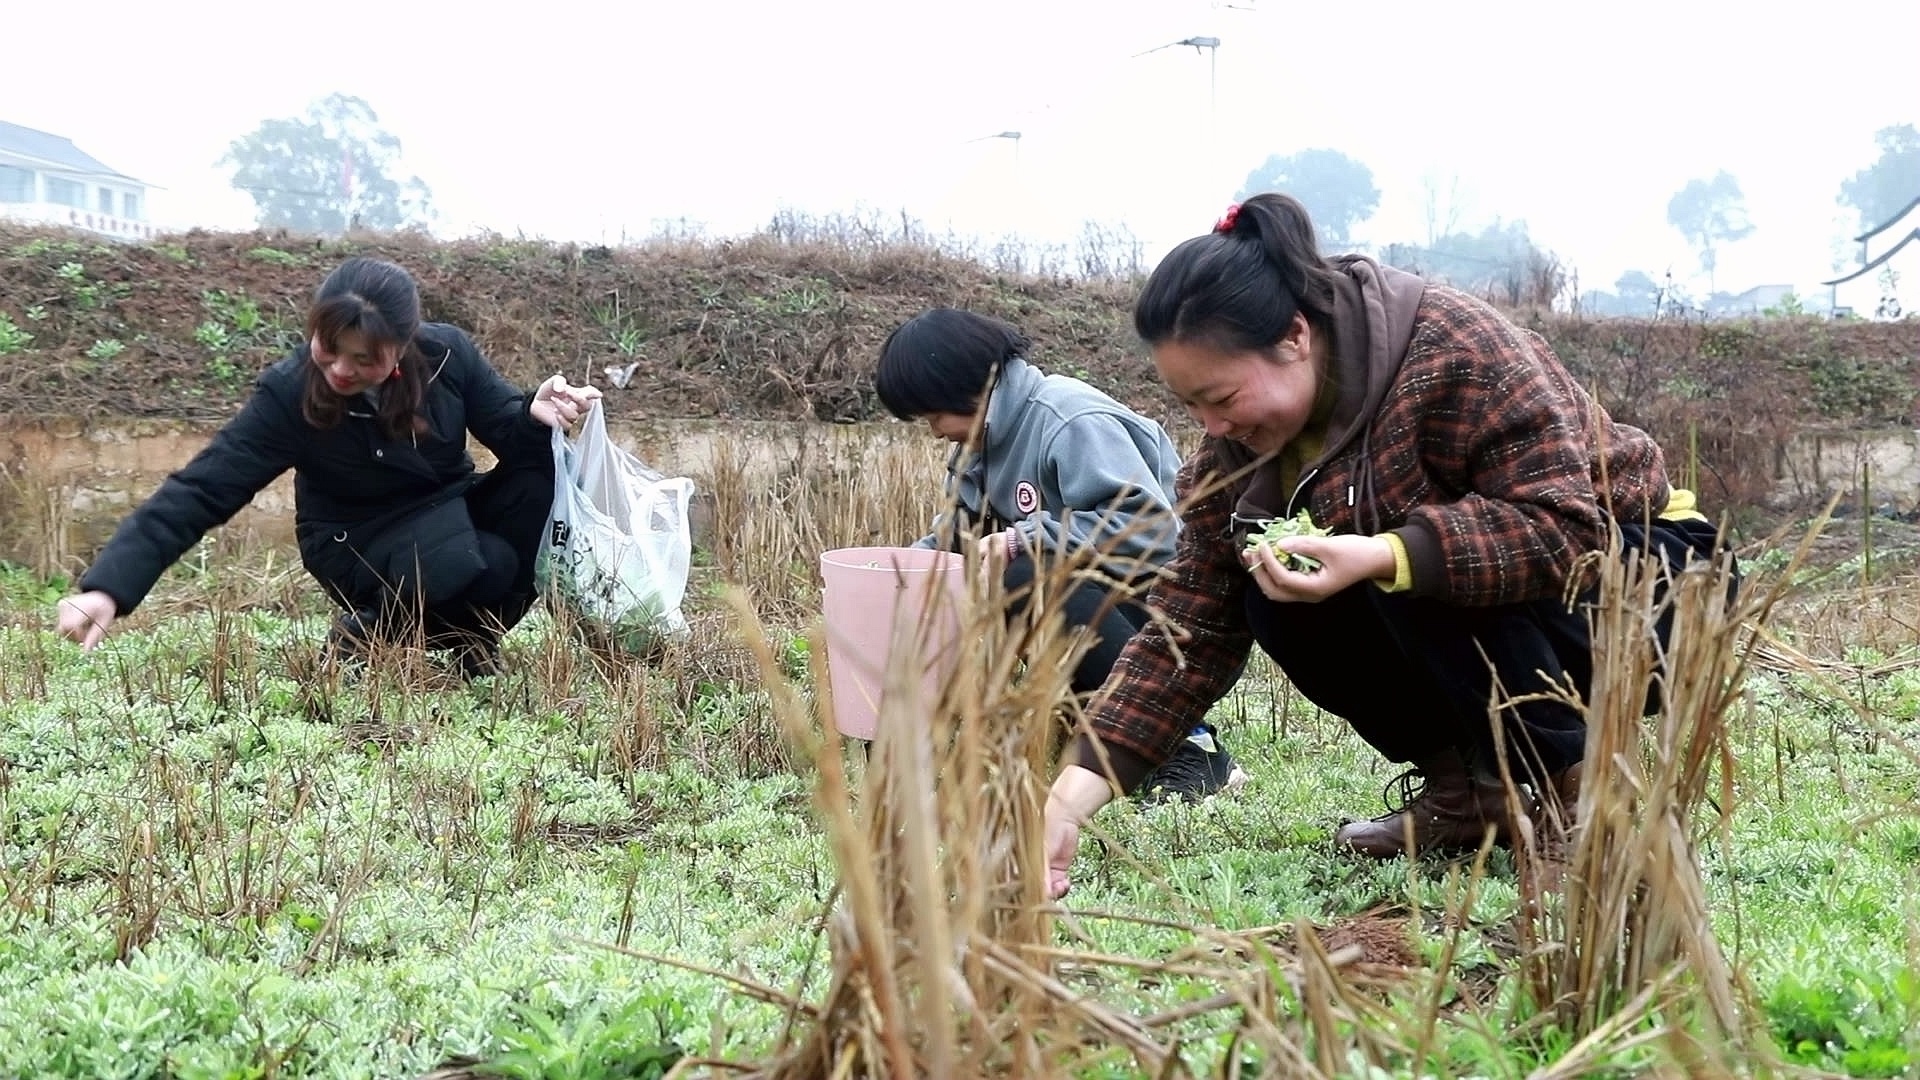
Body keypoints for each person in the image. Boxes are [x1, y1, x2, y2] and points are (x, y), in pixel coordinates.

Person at [1041, 194, 1732, 897]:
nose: (1212, 429)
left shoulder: (1453, 347)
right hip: (1532, 582)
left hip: (1651, 579)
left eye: (1221, 398)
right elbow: (1189, 625)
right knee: (1271, 595)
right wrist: (1070, 798)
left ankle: (1583, 805)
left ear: (1294, 337)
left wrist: (1384, 555)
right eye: (1192, 408)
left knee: (1414, 558)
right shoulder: (1243, 453)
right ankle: (1470, 796)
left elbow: (1562, 530)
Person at [55, 256, 601, 678]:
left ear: (403, 345)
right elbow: (201, 490)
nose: (341, 369)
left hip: (447, 509)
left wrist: (535, 415)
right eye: (329, 347)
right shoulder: (288, 394)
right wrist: (110, 588)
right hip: (353, 537)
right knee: (464, 559)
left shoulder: (447, 356)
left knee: (540, 496)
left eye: (365, 359)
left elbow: (507, 428)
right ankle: (363, 636)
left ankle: (470, 638)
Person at [877, 307, 1248, 801]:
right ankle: (1092, 728)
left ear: (966, 388)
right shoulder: (979, 447)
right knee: (995, 576)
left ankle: (1190, 748)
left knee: (1027, 574)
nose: (934, 431)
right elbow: (954, 541)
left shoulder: (1070, 418)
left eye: (932, 415)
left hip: (1173, 616)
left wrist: (1027, 537)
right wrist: (894, 573)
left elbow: (1157, 534)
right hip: (1102, 606)